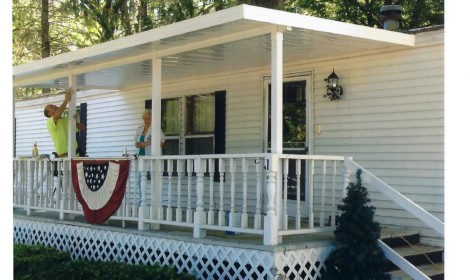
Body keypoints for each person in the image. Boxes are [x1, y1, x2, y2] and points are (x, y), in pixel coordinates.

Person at [44, 87, 86, 158]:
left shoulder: (66, 119)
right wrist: (66, 100)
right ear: (50, 114)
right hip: (64, 157)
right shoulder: (50, 122)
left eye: (52, 105)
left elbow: (82, 128)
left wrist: (75, 122)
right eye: (51, 107)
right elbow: (58, 113)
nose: (54, 105)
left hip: (76, 154)